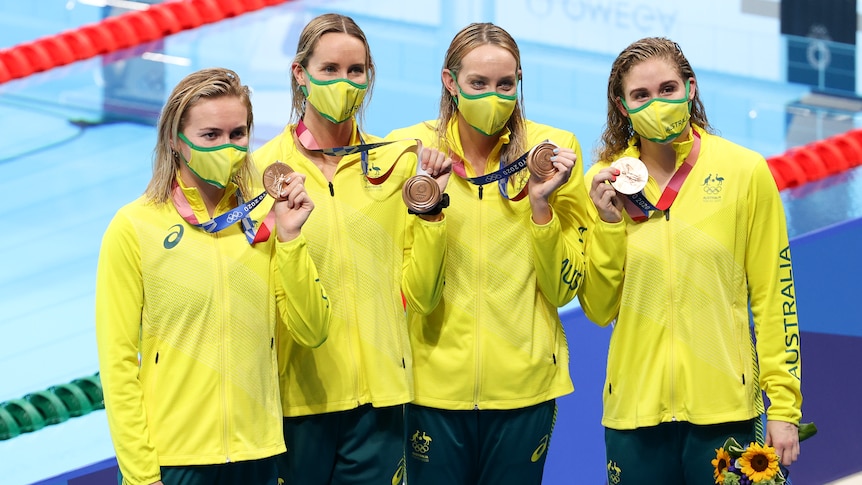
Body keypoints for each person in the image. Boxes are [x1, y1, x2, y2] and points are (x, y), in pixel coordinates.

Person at [579, 37, 802, 484]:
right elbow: (599, 309)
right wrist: (606, 224)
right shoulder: (604, 183)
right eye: (641, 95)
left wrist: (783, 408)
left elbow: (775, 297)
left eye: (667, 89)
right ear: (622, 107)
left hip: (725, 414)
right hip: (635, 418)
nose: (656, 102)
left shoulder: (744, 172)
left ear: (690, 89)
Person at [95, 67, 332, 485]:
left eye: (238, 133)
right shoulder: (134, 227)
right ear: (175, 140)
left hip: (258, 454)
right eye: (211, 135)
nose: (228, 146)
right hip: (175, 460)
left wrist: (292, 238)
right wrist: (140, 475)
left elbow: (311, 330)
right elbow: (117, 365)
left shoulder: (267, 220)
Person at [386, 22, 590, 485]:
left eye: (506, 84)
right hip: (431, 390)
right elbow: (417, 296)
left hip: (525, 390)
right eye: (478, 83)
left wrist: (541, 208)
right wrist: (432, 213)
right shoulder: (411, 152)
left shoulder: (555, 153)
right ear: (449, 81)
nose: (494, 96)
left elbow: (561, 290)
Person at [252, 13, 450, 485]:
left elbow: (422, 296)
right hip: (296, 403)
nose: (344, 83)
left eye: (355, 71)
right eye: (329, 70)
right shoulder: (258, 174)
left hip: (380, 401)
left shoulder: (397, 164)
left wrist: (433, 213)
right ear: (300, 75)